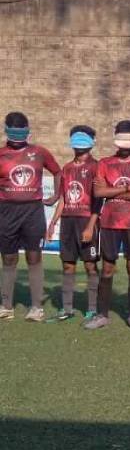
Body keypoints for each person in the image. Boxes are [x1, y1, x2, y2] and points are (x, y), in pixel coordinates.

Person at [84, 120, 130, 330]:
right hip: (110, 222)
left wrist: (112, 188)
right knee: (107, 267)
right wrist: (124, 190)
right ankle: (102, 315)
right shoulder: (104, 163)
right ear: (115, 138)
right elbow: (98, 193)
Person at [0, 111, 61, 321]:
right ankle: (6, 305)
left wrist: (56, 195)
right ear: (6, 131)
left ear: (28, 130)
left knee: (33, 256)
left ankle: (36, 308)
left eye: (21, 130)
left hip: (32, 211)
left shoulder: (40, 152)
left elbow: (57, 171)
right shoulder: (1, 154)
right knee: (8, 258)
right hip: (6, 212)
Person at [46, 125, 101, 322]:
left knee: (90, 266)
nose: (79, 142)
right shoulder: (67, 168)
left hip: (87, 220)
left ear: (92, 142)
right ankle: (67, 308)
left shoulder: (97, 167)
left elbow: (99, 200)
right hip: (68, 222)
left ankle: (93, 308)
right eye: (75, 138)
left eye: (83, 138)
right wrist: (53, 223)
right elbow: (63, 198)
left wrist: (90, 226)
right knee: (67, 265)